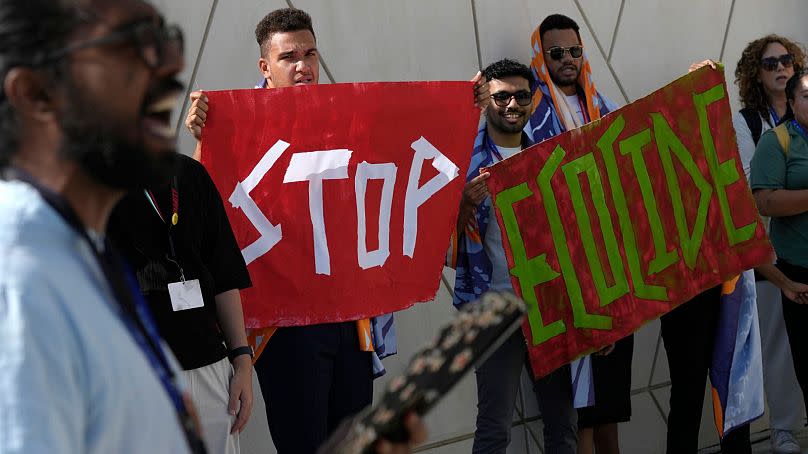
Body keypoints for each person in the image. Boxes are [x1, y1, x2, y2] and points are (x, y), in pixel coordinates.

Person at [183, 8, 489, 453]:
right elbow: (202, 206)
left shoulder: (344, 118)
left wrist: (464, 106)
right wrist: (202, 139)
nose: (303, 65)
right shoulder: (234, 125)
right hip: (286, 325)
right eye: (289, 56)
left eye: (310, 52)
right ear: (265, 67)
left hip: (351, 317)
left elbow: (410, 144)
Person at [0, 0, 203, 452]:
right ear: (37, 94)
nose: (173, 63)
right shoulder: (17, 283)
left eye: (165, 37)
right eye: (135, 43)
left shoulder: (75, 252)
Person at [526, 14, 631, 454]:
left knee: (610, 404)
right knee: (578, 408)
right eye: (556, 53)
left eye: (574, 51)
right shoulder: (528, 108)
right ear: (540, 56)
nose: (567, 60)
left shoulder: (600, 105)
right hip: (563, 272)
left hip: (611, 267)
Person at [107, 152, 254, 454]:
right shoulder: (88, 185)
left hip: (209, 368)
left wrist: (241, 360)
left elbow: (224, 278)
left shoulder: (189, 173)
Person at [731, 35, 807, 454]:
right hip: (773, 257)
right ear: (755, 75)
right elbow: (751, 187)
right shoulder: (748, 122)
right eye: (769, 63)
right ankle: (783, 430)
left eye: (787, 60)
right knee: (780, 344)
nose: (780, 68)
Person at [751, 68, 808, 445]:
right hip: (799, 276)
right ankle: (785, 429)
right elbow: (764, 200)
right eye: (806, 95)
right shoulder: (777, 142)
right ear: (790, 102)